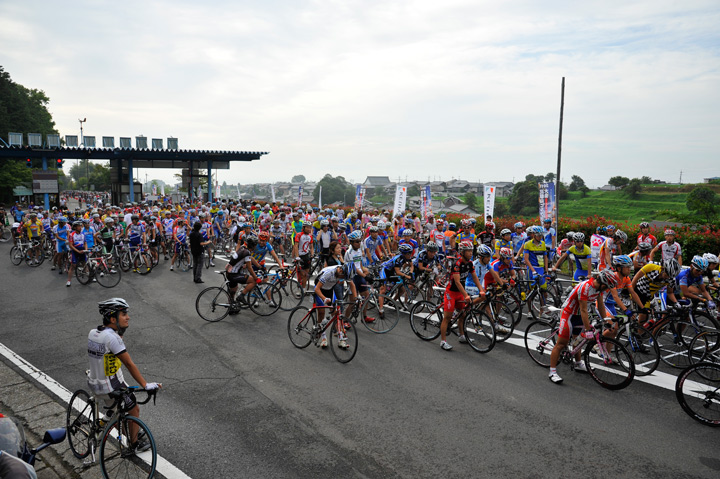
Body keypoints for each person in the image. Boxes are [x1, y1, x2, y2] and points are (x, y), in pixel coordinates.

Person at [87, 298, 161, 453]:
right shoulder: (112, 338)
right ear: (113, 319)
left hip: (95, 383)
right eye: (124, 314)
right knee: (133, 409)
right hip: (110, 386)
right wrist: (145, 385)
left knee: (115, 409)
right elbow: (129, 364)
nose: (128, 317)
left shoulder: (93, 333)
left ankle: (128, 430)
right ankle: (134, 444)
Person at [548, 270, 619, 384]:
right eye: (607, 287)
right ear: (602, 283)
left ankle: (578, 363)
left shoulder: (598, 289)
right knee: (561, 344)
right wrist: (587, 328)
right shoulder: (585, 287)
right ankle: (552, 371)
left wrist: (606, 320)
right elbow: (584, 309)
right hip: (569, 314)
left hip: (579, 315)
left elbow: (600, 305)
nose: (607, 290)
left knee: (578, 340)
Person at [440, 241, 483, 350]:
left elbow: (474, 277)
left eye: (471, 250)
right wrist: (466, 295)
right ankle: (443, 341)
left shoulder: (469, 264)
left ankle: (462, 335)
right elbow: (458, 282)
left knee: (463, 314)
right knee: (447, 317)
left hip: (459, 293)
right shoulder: (457, 264)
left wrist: (481, 290)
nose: (470, 253)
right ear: (462, 252)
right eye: (468, 251)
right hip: (451, 293)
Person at [313, 264, 351, 348]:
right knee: (321, 312)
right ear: (340, 271)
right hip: (320, 290)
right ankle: (323, 338)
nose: (343, 278)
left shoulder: (341, 272)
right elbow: (317, 289)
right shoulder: (329, 273)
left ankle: (341, 339)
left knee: (336, 313)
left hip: (329, 290)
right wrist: (324, 298)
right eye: (343, 276)